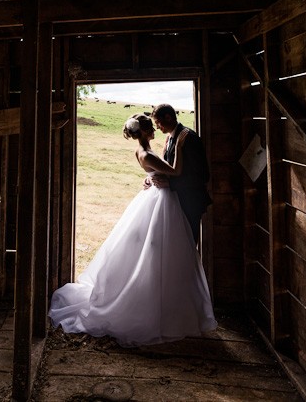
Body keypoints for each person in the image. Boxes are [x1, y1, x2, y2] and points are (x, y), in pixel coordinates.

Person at [49, 114, 217, 347]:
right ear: (146, 131)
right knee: (158, 251)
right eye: (152, 127)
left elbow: (157, 172)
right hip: (162, 203)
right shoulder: (147, 153)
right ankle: (153, 306)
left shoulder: (142, 152)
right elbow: (176, 172)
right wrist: (178, 145)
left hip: (159, 199)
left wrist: (150, 179)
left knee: (157, 251)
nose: (156, 129)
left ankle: (162, 304)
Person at [149, 104, 211, 244]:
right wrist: (151, 178)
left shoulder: (189, 137)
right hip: (177, 200)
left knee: (188, 244)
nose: (157, 127)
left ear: (168, 117)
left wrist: (170, 183)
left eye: (158, 123)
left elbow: (202, 176)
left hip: (190, 201)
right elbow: (169, 168)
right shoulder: (171, 138)